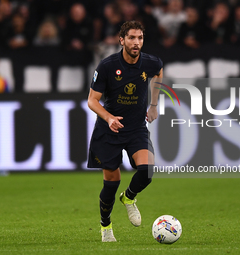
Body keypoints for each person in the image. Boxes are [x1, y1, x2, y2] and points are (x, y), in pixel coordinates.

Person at [87, 20, 163, 242]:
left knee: (147, 170)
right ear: (121, 40)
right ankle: (106, 226)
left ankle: (129, 198)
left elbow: (158, 72)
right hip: (108, 130)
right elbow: (92, 100)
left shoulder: (150, 62)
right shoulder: (107, 66)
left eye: (140, 38)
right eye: (131, 37)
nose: (136, 42)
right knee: (111, 184)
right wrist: (109, 117)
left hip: (135, 128)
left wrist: (154, 104)